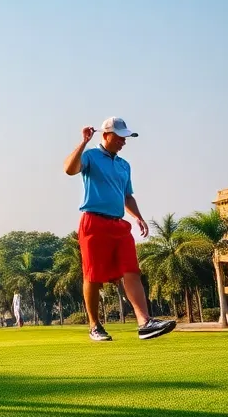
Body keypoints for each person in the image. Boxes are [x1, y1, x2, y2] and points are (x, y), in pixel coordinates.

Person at [64, 118, 176, 342]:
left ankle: (144, 322)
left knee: (131, 270)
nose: (123, 142)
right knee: (93, 276)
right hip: (93, 222)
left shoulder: (124, 165)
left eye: (125, 138)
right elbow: (69, 169)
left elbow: (127, 196)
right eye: (119, 137)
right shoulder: (90, 156)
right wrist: (83, 142)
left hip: (119, 225)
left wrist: (138, 217)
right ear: (105, 135)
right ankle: (95, 326)